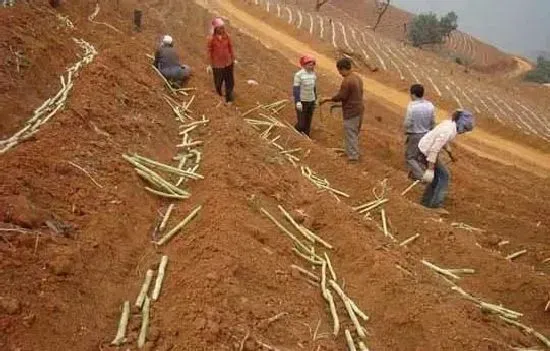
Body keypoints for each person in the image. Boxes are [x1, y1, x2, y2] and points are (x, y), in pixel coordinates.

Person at [417, 109, 474, 209]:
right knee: (444, 176)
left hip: (424, 148)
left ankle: (425, 203)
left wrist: (450, 155)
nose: (463, 131)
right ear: (460, 123)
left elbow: (443, 142)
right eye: (464, 128)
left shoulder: (449, 124)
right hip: (426, 151)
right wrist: (430, 169)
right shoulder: (448, 130)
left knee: (435, 178)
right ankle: (435, 205)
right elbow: (434, 150)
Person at [320, 58, 364, 162]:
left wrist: (327, 99)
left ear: (343, 69)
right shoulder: (357, 78)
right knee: (353, 132)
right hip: (359, 109)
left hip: (351, 111)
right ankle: (350, 151)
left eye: (339, 71)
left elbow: (341, 96)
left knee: (350, 133)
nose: (339, 73)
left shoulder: (347, 81)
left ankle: (353, 157)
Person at [404, 84, 435, 180]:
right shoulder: (430, 105)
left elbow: (408, 123)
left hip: (415, 134)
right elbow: (432, 121)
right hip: (427, 134)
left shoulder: (412, 106)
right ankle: (414, 175)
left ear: (413, 95)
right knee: (421, 156)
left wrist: (406, 130)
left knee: (410, 157)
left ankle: (421, 176)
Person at [207, 17, 236, 105]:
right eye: (220, 28)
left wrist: (233, 58)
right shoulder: (211, 39)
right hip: (217, 65)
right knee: (218, 82)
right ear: (216, 29)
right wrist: (209, 64)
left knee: (230, 82)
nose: (223, 29)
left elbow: (230, 47)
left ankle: (229, 99)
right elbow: (209, 52)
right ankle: (219, 96)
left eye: (223, 27)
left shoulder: (227, 36)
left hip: (228, 62)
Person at [293, 55, 318, 136]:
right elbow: (296, 89)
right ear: (304, 65)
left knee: (308, 121)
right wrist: (297, 101)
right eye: (310, 65)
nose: (312, 66)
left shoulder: (313, 74)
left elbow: (313, 88)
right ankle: (294, 132)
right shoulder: (299, 75)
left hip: (311, 100)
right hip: (302, 101)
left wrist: (315, 99)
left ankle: (306, 136)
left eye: (313, 64)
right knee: (301, 124)